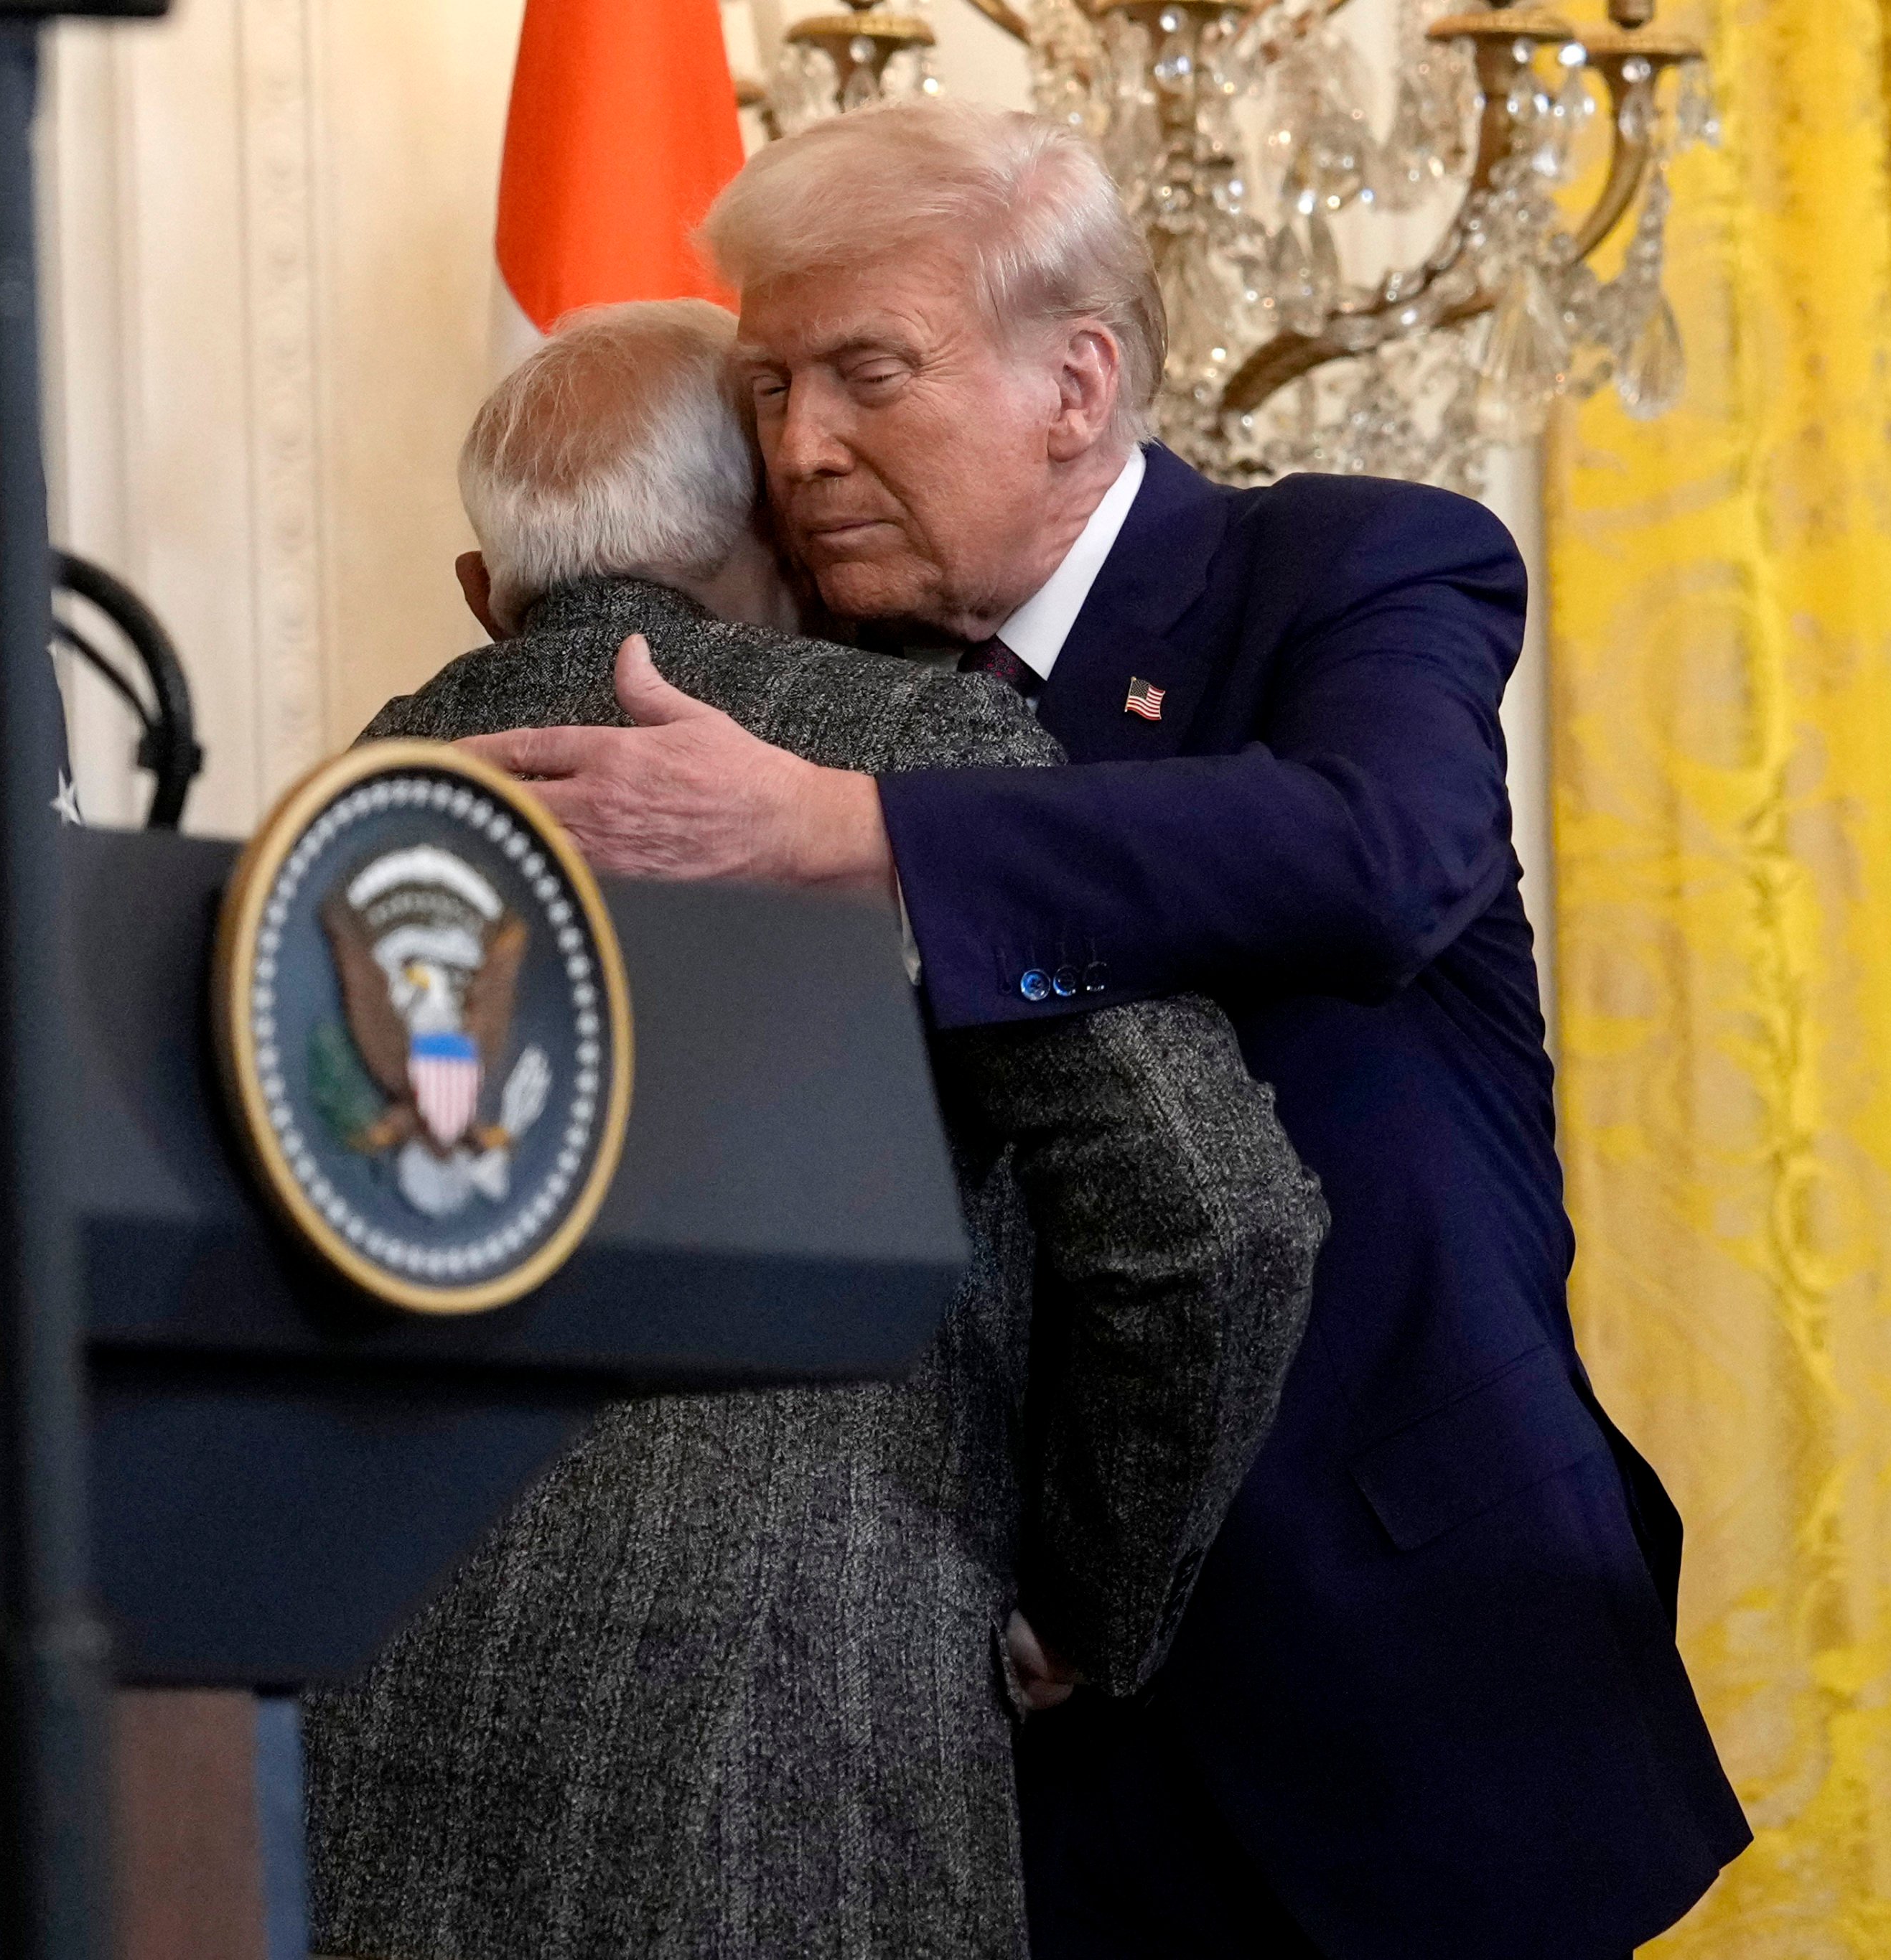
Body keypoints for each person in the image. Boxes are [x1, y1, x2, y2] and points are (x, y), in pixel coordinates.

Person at [462, 103, 1752, 1959]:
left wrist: (861, 838)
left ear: (1076, 386)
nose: (800, 447)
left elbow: (1375, 858)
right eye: (766, 389)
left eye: (866, 374)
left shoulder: (1353, 572)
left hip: (1405, 1692)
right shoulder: (818, 697)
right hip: (1013, 1757)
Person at [301, 298, 1328, 1960]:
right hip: (790, 1728)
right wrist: (1089, 1602)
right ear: (777, 531)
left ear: (483, 591)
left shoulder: (342, 801)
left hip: (361, 1702)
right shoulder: (909, 748)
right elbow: (1213, 1213)